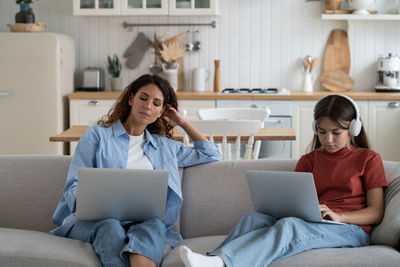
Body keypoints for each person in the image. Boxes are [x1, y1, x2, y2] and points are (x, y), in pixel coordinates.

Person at [179, 94, 387, 267]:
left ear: (353, 129)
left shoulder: (368, 159)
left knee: (290, 225)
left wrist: (340, 216)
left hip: (350, 230)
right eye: (322, 132)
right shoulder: (309, 160)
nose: (328, 140)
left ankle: (223, 262)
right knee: (254, 219)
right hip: (314, 222)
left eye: (336, 133)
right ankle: (213, 259)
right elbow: (294, 200)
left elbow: (376, 212)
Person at [51, 74, 221, 267]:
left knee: (155, 225)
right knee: (111, 226)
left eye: (156, 103)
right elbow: (73, 186)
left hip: (143, 222)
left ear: (161, 112)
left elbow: (211, 154)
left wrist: (183, 123)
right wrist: (85, 201)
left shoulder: (164, 147)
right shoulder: (98, 135)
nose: (148, 106)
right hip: (98, 221)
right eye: (143, 98)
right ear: (131, 99)